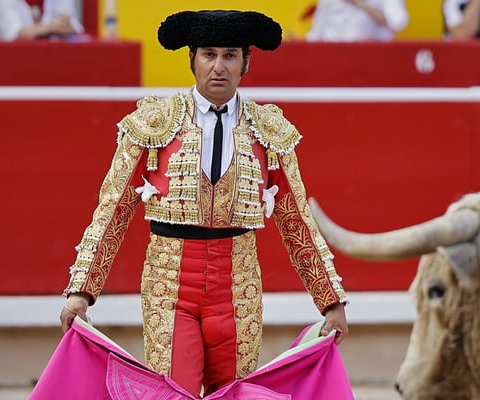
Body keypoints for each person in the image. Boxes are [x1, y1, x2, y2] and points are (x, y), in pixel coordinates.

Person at [58, 9, 349, 398]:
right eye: (209, 54)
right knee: (174, 392)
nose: (219, 67)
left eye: (230, 55)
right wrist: (81, 290)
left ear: (246, 62)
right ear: (192, 59)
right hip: (169, 284)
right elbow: (113, 209)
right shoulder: (154, 123)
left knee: (233, 394)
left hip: (238, 287)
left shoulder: (268, 131)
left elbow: (297, 221)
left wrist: (330, 301)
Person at [306, 0, 409, 42]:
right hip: (332, 54)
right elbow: (317, 28)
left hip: (371, 56)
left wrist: (360, 3)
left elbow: (397, 23)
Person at [0, 0, 82, 41]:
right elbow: (16, 33)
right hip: (15, 59)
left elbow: (76, 28)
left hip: (53, 57)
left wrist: (66, 27)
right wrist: (51, 27)